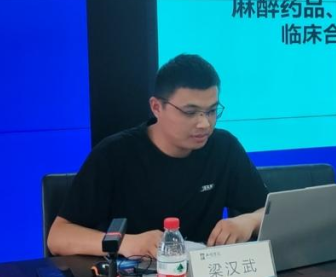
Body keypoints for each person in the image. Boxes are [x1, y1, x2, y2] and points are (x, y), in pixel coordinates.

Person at [47, 54, 268, 258]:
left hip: (205, 275)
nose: (204, 123)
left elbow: (267, 211)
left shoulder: (224, 147)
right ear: (156, 107)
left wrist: (248, 221)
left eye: (211, 111)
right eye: (190, 112)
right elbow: (58, 237)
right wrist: (129, 243)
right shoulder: (114, 154)